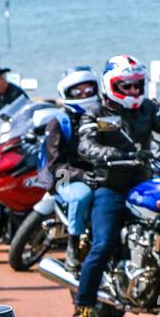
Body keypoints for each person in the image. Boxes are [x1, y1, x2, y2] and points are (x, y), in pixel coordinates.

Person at [71, 54, 160, 317]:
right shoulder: (95, 114)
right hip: (111, 188)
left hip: (144, 184)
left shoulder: (148, 109)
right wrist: (121, 155)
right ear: (110, 85)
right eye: (125, 86)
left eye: (136, 85)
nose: (132, 91)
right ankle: (82, 309)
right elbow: (87, 146)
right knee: (103, 244)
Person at [38, 66, 99, 273]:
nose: (84, 95)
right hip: (64, 174)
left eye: (88, 90)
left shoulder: (101, 117)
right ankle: (73, 246)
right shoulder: (58, 122)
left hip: (98, 173)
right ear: (67, 93)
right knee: (80, 197)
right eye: (78, 91)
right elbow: (54, 164)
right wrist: (81, 175)